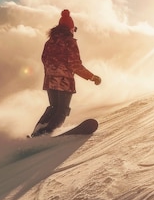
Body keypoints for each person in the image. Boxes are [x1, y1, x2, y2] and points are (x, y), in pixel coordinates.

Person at [30, 9, 102, 137]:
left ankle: (38, 131)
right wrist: (91, 76)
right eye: (74, 29)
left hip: (50, 80)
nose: (74, 32)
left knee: (53, 107)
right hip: (64, 81)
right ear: (70, 28)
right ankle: (48, 133)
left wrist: (52, 71)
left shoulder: (49, 42)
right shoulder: (70, 42)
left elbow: (44, 59)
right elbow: (75, 64)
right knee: (62, 109)